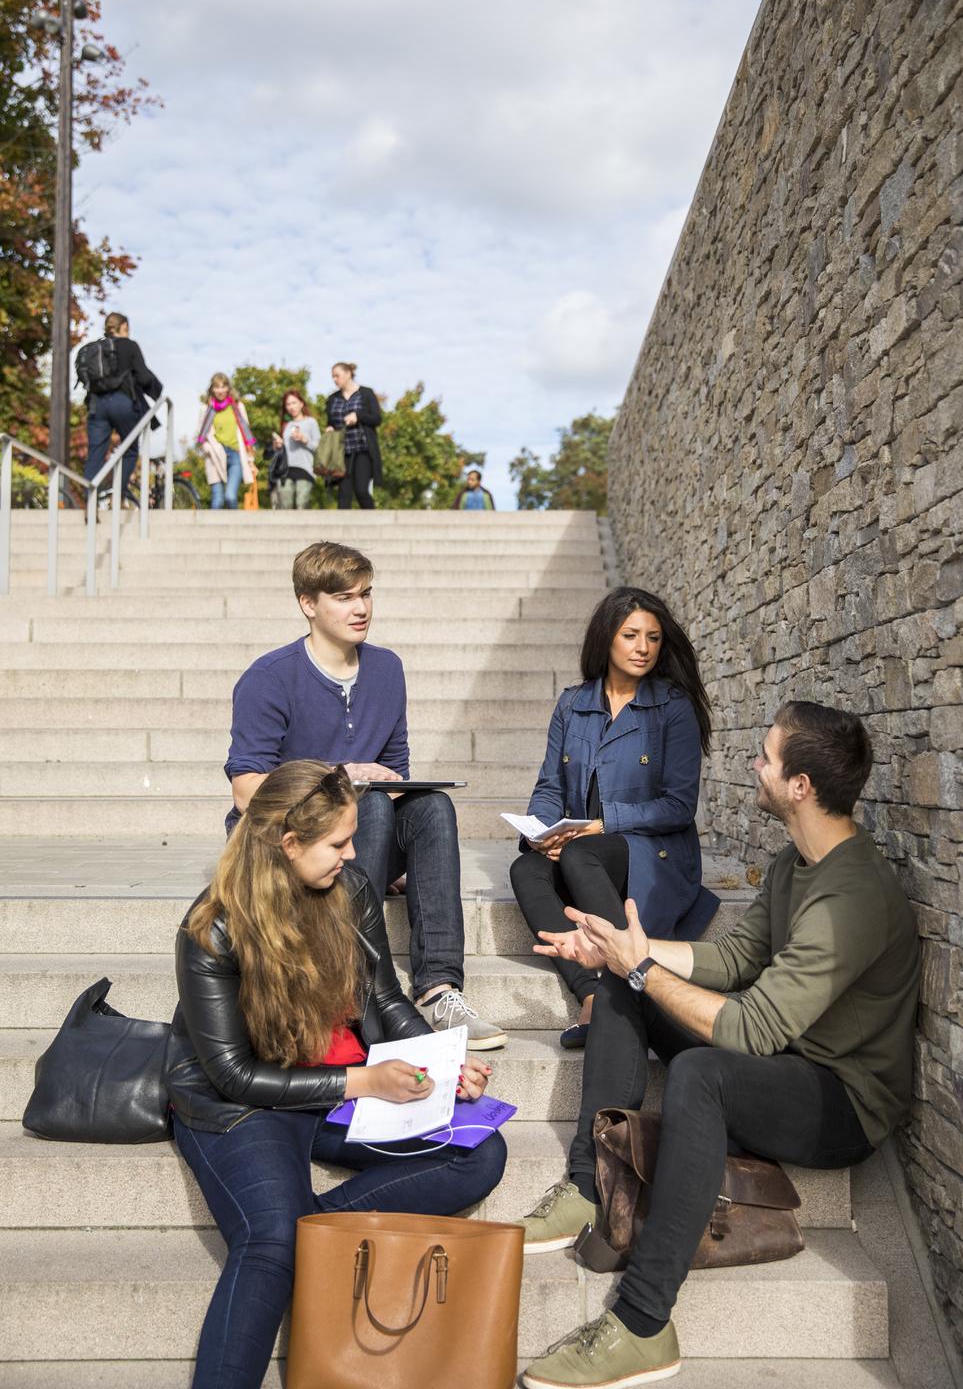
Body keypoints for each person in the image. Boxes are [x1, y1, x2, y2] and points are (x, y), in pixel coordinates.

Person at [518, 701, 921, 1389]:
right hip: (789, 1057)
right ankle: (587, 1185)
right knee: (626, 984)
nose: (754, 767)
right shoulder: (795, 862)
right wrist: (628, 952)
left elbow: (752, 1028)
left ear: (801, 786)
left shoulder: (852, 895)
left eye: (766, 757)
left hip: (843, 1100)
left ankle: (643, 1323)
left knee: (702, 1072)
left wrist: (640, 966)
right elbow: (733, 960)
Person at [167, 759, 506, 1389]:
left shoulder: (348, 889)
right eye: (339, 843)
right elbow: (236, 1075)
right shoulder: (212, 929)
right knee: (270, 1243)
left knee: (479, 1150)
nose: (354, 856)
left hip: (343, 1087)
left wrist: (442, 1061)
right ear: (288, 844)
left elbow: (384, 999)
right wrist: (362, 1084)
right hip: (249, 1105)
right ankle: (289, 1228)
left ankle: (306, 1221)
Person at [225, 539, 507, 1050]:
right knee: (367, 801)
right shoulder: (269, 677)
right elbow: (247, 793)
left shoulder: (387, 669)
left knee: (430, 806)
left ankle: (439, 988)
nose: (361, 608)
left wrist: (393, 834)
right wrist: (338, 779)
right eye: (344, 597)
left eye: (366, 594)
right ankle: (364, 988)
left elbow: (395, 770)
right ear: (308, 603)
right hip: (285, 841)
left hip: (360, 836)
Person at [510, 587, 717, 1049]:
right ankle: (592, 991)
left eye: (653, 637)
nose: (643, 647)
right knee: (526, 868)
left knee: (582, 852)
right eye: (630, 635)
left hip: (655, 852)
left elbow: (679, 806)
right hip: (587, 848)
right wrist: (542, 833)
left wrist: (600, 825)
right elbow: (549, 786)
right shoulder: (572, 703)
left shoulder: (673, 707)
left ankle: (621, 983)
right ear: (606, 639)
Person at [82, 312, 163, 498]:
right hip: (122, 402)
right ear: (124, 325)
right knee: (130, 449)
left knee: (95, 454)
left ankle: (89, 500)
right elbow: (143, 377)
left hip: (97, 404)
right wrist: (156, 389)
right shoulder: (130, 346)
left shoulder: (98, 347)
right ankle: (119, 493)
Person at [325, 361, 382, 509]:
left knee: (361, 490)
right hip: (342, 453)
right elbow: (330, 421)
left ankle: (375, 524)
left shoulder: (366, 393)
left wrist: (358, 417)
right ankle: (340, 531)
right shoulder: (333, 399)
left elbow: (377, 418)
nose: (335, 379)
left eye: (337, 375)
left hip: (362, 450)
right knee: (343, 494)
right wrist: (330, 428)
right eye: (333, 377)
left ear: (348, 373)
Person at [196, 373, 258, 510]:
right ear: (212, 389)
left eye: (223, 387)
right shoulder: (206, 409)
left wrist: (250, 459)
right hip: (215, 455)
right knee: (217, 498)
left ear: (228, 388)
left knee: (230, 496)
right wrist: (206, 447)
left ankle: (234, 529)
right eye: (217, 387)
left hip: (235, 455)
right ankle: (213, 530)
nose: (220, 390)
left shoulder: (237, 406)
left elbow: (246, 432)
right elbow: (200, 435)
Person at [267, 390, 320, 509]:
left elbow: (318, 448)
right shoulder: (287, 425)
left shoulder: (311, 422)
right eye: (288, 404)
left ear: (301, 403)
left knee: (302, 503)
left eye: (294, 403)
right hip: (285, 470)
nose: (291, 407)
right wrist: (279, 446)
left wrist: (304, 439)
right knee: (285, 505)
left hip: (305, 469)